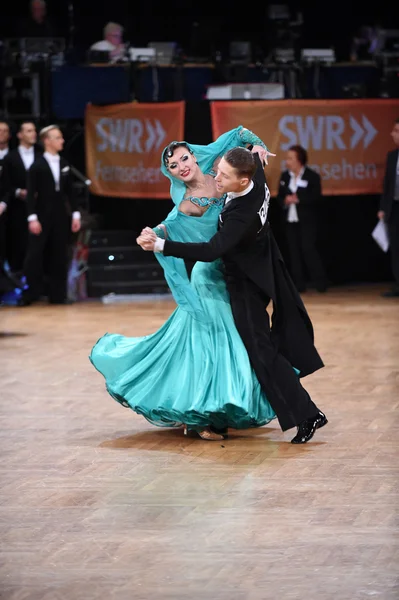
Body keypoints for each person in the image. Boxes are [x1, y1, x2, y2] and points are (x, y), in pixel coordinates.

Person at [90, 127, 278, 441]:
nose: (181, 166)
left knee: (233, 339)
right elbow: (168, 227)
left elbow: (239, 134)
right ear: (171, 173)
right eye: (174, 165)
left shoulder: (218, 171)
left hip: (235, 272)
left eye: (184, 158)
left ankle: (218, 405)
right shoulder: (186, 204)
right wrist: (152, 236)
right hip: (209, 275)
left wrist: (258, 147)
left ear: (193, 155)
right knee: (214, 343)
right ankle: (200, 414)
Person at [138, 147, 327, 444]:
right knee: (257, 348)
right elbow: (247, 150)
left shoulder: (242, 214)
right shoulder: (254, 172)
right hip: (261, 267)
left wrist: (162, 246)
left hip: (246, 283)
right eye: (218, 169)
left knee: (262, 351)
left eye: (224, 175)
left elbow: (212, 250)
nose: (217, 177)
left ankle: (307, 414)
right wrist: (255, 145)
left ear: (242, 181)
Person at [22, 125, 81, 305]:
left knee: (59, 253)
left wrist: (76, 214)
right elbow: (31, 194)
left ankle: (58, 294)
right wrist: (32, 217)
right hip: (41, 214)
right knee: (35, 253)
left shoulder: (64, 164)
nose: (62, 141)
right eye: (58, 138)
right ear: (47, 141)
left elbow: (70, 192)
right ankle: (31, 293)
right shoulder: (37, 165)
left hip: (60, 215)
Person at [276, 145, 328, 293]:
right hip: (290, 220)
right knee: (293, 252)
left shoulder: (312, 176)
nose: (287, 161)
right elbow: (279, 196)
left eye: (290, 158)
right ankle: (298, 285)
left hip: (307, 220)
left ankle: (320, 282)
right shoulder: (285, 176)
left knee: (308, 249)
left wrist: (299, 199)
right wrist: (285, 200)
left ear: (299, 160)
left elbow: (316, 197)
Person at [1, 122, 41, 277]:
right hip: (16, 209)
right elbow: (6, 185)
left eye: (34, 131)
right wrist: (18, 192)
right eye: (29, 131)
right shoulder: (11, 158)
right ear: (19, 135)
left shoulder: (40, 155)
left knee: (37, 245)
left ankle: (37, 284)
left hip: (38, 207)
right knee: (16, 245)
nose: (33, 134)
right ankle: (16, 283)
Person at [378, 117, 399, 298]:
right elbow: (387, 185)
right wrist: (383, 207)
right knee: (395, 248)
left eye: (396, 131)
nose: (393, 134)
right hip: (394, 208)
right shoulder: (392, 156)